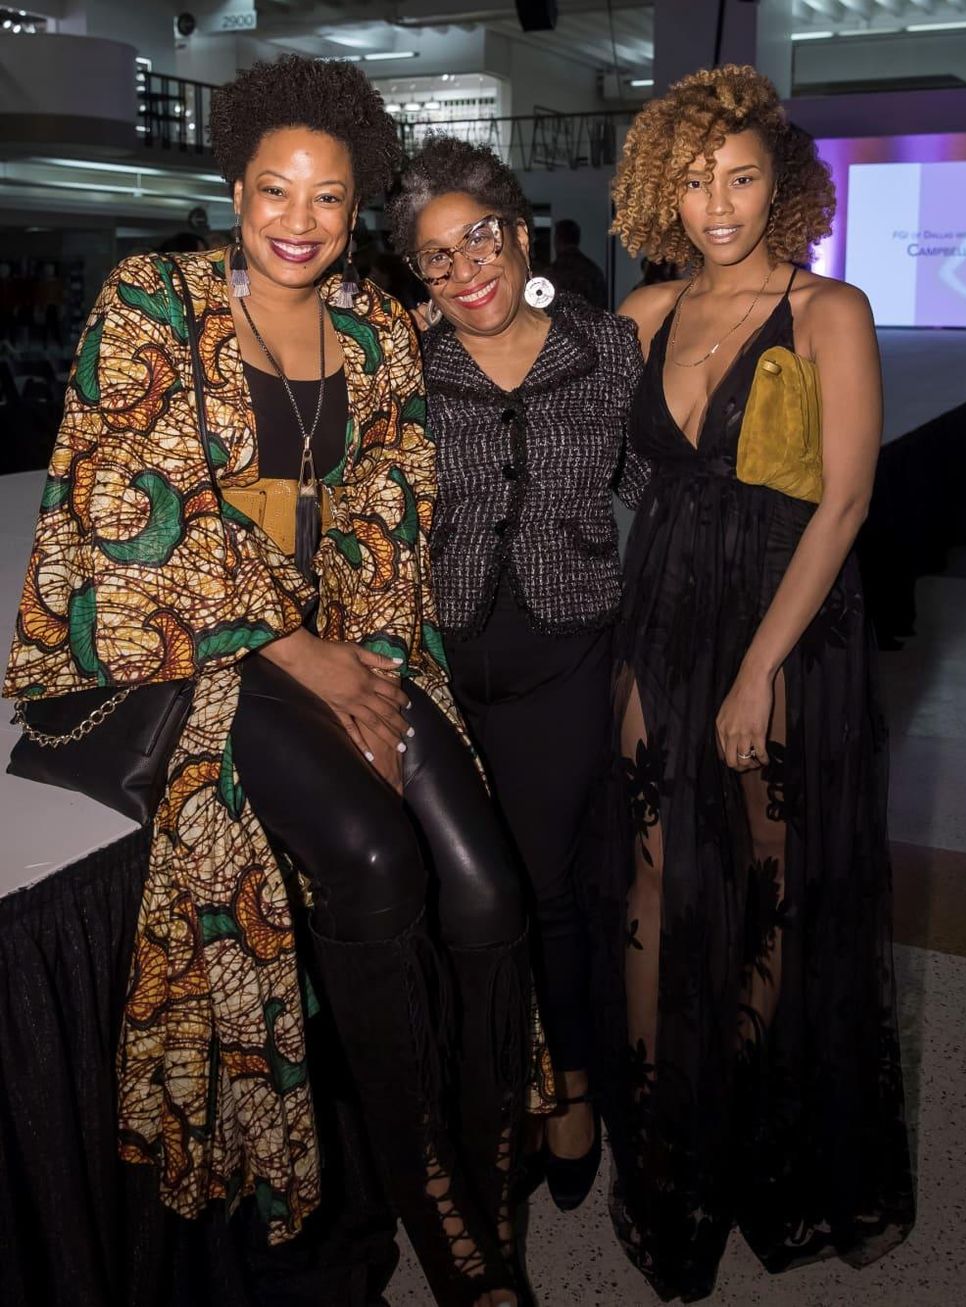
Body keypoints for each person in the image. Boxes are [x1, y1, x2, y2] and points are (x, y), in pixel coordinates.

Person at [3, 56, 528, 1307]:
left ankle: (488, 1168)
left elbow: (389, 500)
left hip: (349, 634)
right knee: (370, 857)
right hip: (183, 656)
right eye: (274, 192)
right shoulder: (154, 300)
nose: (299, 221)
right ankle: (448, 1226)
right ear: (234, 189)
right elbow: (125, 512)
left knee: (486, 882)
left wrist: (352, 640)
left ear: (357, 210)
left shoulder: (375, 329)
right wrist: (290, 645)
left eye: (329, 199)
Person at [592, 64, 916, 1301]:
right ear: (657, 188)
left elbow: (843, 503)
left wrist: (754, 672)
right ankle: (666, 1135)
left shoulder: (826, 307)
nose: (714, 202)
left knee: (775, 876)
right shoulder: (642, 308)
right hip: (660, 610)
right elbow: (527, 378)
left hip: (782, 625)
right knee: (652, 865)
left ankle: (743, 1104)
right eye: (689, 178)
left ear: (779, 183)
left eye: (737, 176)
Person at [387, 137, 649, 1214]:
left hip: (563, 654)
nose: (463, 270)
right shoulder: (401, 366)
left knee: (552, 887)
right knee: (457, 891)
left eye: (477, 239)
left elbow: (660, 483)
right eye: (435, 259)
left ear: (521, 233)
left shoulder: (606, 349)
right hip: (434, 665)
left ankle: (571, 1085)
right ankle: (487, 1081)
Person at [543, 217, 608, 309]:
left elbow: (544, 309)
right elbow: (602, 307)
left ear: (558, 239)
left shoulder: (553, 272)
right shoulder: (593, 271)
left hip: (559, 322)